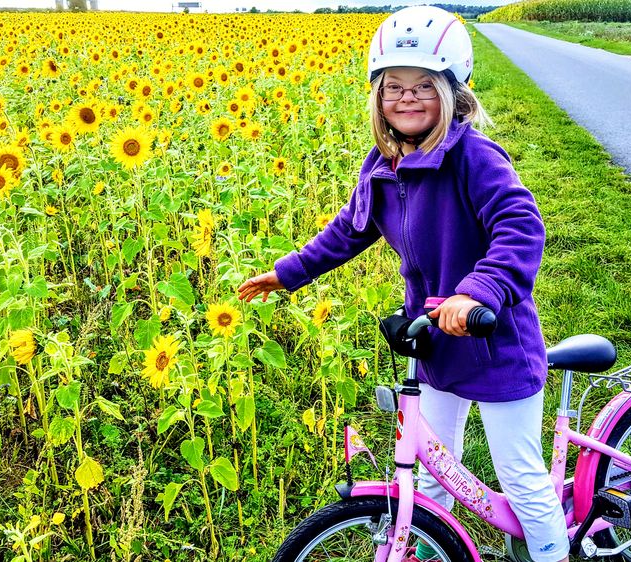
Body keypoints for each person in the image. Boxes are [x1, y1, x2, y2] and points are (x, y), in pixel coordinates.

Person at [237, 6, 569, 562]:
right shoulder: (383, 165)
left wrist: (477, 291)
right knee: (434, 467)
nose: (407, 98)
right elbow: (351, 229)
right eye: (394, 87)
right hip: (434, 340)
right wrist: (290, 271)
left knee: (519, 475)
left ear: (453, 93)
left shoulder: (474, 158)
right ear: (377, 96)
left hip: (493, 342)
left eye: (424, 86)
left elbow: (520, 227)